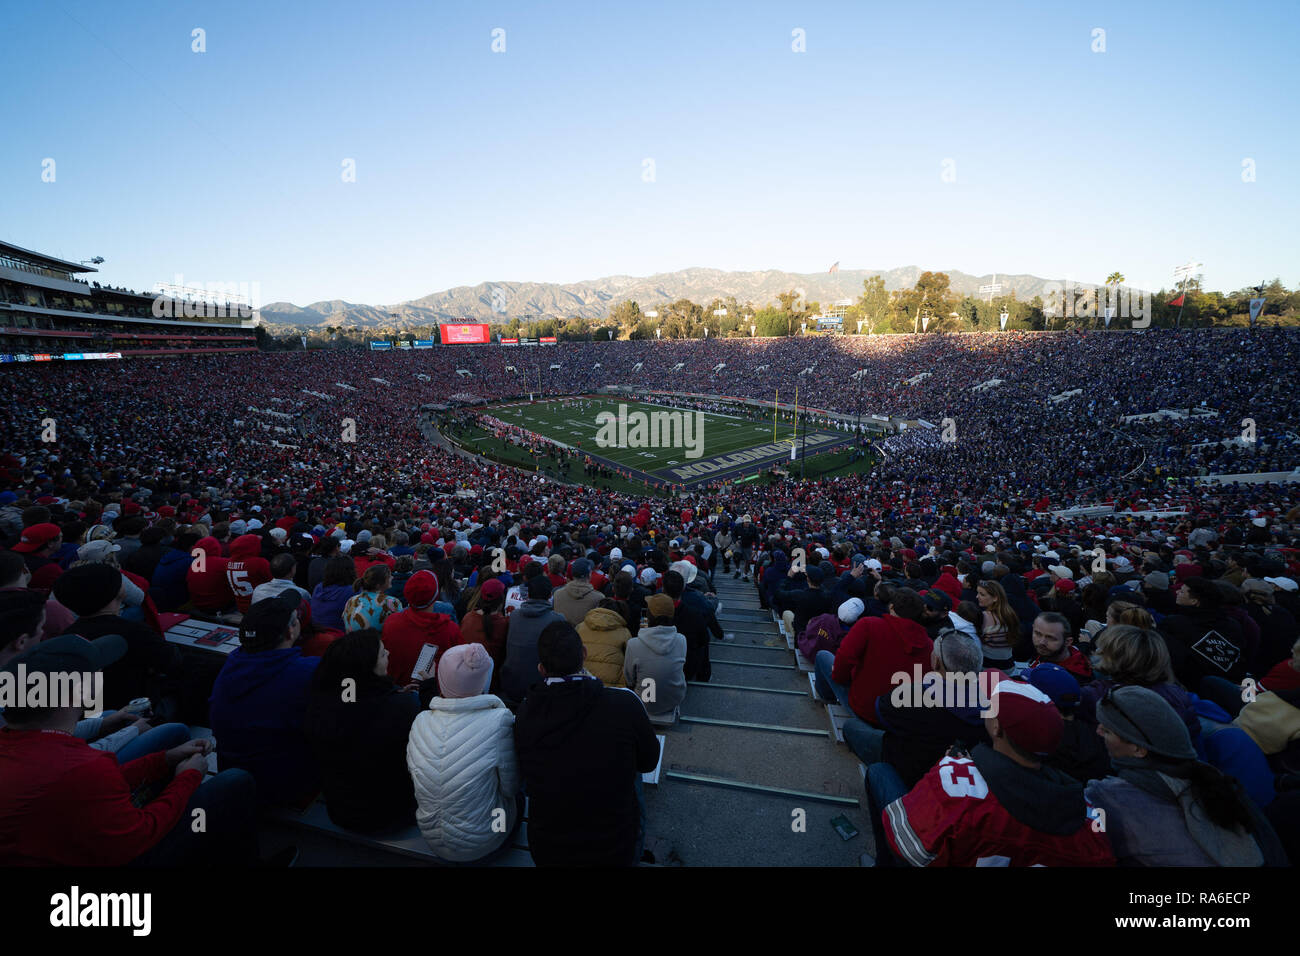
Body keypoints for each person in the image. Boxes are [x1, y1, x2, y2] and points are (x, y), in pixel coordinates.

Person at [0, 634, 258, 866]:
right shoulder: (81, 767)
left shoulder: (25, 745)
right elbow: (140, 836)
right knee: (235, 782)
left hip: (61, 837)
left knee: (174, 736)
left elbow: (84, 787)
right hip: (129, 859)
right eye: (94, 672)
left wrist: (164, 760)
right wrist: (186, 778)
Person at [870, 679, 1115, 867]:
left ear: (996, 727)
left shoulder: (957, 778)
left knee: (879, 773)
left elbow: (907, 846)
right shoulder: (1089, 816)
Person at [1085, 685, 1287, 866]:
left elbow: (1091, 851)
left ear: (1139, 749)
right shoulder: (1210, 776)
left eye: (1108, 730)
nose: (1098, 731)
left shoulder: (1105, 795)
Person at [514, 621, 661, 866]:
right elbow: (649, 762)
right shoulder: (625, 703)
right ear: (583, 654)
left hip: (548, 851)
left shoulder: (525, 713)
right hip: (616, 851)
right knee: (632, 767)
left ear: (541, 669)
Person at [407, 643, 522, 863]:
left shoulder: (420, 721)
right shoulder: (499, 721)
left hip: (432, 838)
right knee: (518, 798)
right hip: (486, 840)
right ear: (484, 681)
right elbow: (510, 787)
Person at [208, 591, 321, 807]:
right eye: (295, 619)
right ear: (290, 631)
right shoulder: (307, 671)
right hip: (282, 783)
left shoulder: (232, 663)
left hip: (234, 770)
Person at [303, 628, 421, 833]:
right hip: (394, 815)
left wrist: (394, 695)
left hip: (340, 810)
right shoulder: (403, 707)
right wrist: (406, 699)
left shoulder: (322, 701)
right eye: (383, 654)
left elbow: (359, 707)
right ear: (368, 668)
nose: (389, 654)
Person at [814, 588, 931, 762]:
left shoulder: (869, 625)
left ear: (891, 607)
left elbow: (843, 660)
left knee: (823, 656)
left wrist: (839, 678)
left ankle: (827, 696)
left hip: (864, 709)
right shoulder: (930, 645)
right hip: (899, 719)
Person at [53, 563, 182, 713]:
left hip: (92, 715)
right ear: (114, 592)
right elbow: (173, 662)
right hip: (134, 713)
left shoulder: (68, 635)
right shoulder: (134, 632)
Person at [873, 627, 992, 787]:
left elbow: (879, 713)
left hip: (908, 780)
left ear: (935, 661)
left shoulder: (912, 695)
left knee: (855, 732)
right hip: (951, 785)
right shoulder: (993, 703)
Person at [381, 569, 464, 686]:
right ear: (436, 596)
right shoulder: (450, 629)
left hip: (398, 690)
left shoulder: (391, 622)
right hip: (435, 694)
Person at [500, 574, 566, 705]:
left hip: (511, 684)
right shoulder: (557, 620)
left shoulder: (514, 616)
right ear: (549, 596)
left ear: (528, 595)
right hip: (538, 689)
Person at [623, 593, 688, 719]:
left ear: (649, 615)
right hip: (673, 699)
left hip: (644, 701)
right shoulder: (681, 640)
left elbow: (629, 679)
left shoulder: (633, 644)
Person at [577, 598, 633, 687]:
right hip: (612, 688)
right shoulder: (624, 632)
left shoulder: (580, 627)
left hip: (583, 683)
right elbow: (629, 661)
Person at [1027, 611, 1093, 684]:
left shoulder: (1074, 678)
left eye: (1051, 638)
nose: (1041, 642)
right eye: (1038, 634)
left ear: (1068, 642)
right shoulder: (1047, 652)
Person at [342, 564, 402, 632]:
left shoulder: (351, 600)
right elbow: (399, 627)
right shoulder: (391, 601)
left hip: (351, 641)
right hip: (375, 641)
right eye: (389, 576)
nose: (392, 577)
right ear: (378, 584)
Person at [225, 532, 272, 615]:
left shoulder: (228, 562)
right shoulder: (259, 563)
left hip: (241, 606)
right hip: (259, 606)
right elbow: (274, 581)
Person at [310, 555, 358, 634]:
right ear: (351, 571)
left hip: (317, 633)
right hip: (339, 635)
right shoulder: (351, 591)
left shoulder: (319, 587)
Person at [553, 557, 603, 626]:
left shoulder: (557, 594)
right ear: (589, 575)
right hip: (583, 636)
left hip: (561, 634)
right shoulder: (599, 598)